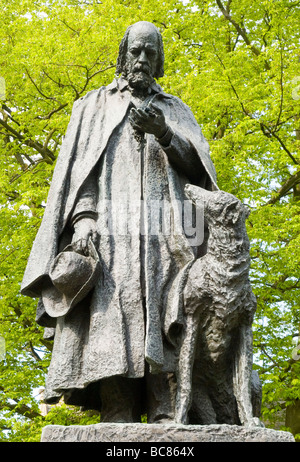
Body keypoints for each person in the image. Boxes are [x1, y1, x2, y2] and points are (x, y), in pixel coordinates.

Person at [21, 21, 217, 423]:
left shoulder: (176, 109)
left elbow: (201, 173)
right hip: (110, 232)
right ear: (123, 55)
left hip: (167, 232)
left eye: (151, 53)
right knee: (113, 312)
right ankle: (117, 409)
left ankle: (166, 410)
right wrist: (83, 221)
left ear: (159, 61)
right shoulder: (93, 106)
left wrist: (164, 133)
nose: (143, 59)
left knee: (167, 309)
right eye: (137, 51)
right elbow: (81, 174)